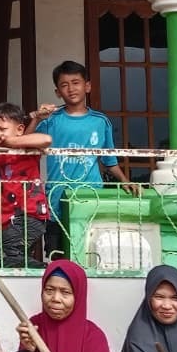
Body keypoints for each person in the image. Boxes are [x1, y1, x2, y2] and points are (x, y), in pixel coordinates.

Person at [31, 60, 141, 258]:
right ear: (57, 92)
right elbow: (25, 142)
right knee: (58, 257)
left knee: (91, 254)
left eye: (76, 83)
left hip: (90, 197)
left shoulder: (100, 121)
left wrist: (125, 180)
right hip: (56, 200)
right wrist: (37, 118)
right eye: (64, 85)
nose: (71, 89)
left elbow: (109, 161)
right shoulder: (52, 120)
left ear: (87, 86)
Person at [0, 102, 51, 269]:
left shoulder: (25, 151)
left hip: (30, 216)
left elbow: (46, 139)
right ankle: (39, 273)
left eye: (2, 129)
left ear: (19, 130)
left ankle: (45, 271)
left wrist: (8, 141)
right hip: (8, 222)